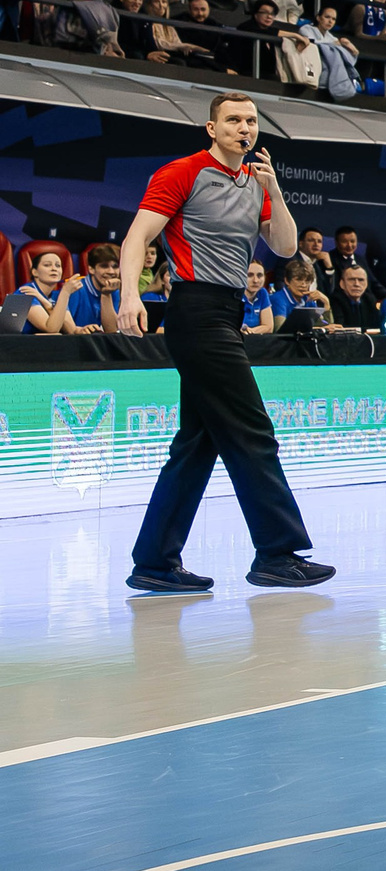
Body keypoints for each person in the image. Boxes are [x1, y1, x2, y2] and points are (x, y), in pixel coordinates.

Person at [120, 93, 333, 592]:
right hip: (195, 312)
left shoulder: (256, 182)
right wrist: (131, 294)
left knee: (196, 445)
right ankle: (277, 553)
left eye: (252, 121)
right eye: (233, 120)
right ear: (211, 128)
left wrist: (274, 190)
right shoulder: (182, 172)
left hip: (227, 311)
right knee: (252, 432)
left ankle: (153, 561)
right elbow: (137, 238)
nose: (245, 127)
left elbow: (283, 247)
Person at [63, 243, 123, 332]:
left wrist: (106, 294)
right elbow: (63, 327)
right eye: (104, 266)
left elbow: (111, 330)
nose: (111, 271)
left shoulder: (114, 290)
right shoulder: (76, 288)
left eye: (115, 267)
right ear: (91, 269)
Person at [13, 248, 73, 334]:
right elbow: (51, 329)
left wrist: (45, 302)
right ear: (35, 272)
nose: (54, 269)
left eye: (58, 265)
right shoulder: (25, 292)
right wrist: (65, 292)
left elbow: (71, 330)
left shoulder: (58, 295)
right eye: (47, 265)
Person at [327, 261, 380, 331]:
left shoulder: (370, 300)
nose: (356, 284)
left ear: (367, 284)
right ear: (342, 283)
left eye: (361, 280)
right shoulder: (335, 300)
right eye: (351, 280)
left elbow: (377, 327)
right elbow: (340, 328)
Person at [239, 259, 286, 334]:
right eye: (250, 275)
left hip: (254, 340)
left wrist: (251, 331)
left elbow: (269, 327)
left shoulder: (262, 293)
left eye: (259, 275)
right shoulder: (235, 294)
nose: (255, 280)